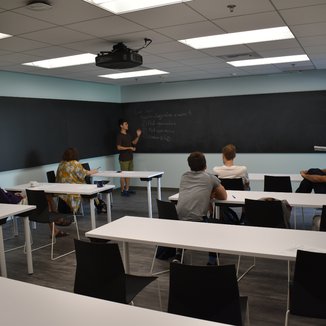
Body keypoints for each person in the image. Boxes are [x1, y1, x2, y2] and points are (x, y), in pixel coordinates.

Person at [175, 152, 227, 265]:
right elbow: (224, 196)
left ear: (189, 166)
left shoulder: (184, 176)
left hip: (178, 219)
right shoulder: (209, 178)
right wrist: (211, 193)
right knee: (217, 226)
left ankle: (179, 253)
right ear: (205, 165)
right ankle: (212, 261)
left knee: (187, 221)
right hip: (197, 220)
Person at [0, 187, 68, 237]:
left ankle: (55, 227)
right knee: (46, 197)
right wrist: (20, 197)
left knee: (47, 198)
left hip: (17, 201)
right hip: (19, 205)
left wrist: (16, 195)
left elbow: (7, 196)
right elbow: (9, 201)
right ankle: (57, 218)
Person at [56, 147, 99, 213]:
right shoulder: (75, 164)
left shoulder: (61, 164)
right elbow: (84, 174)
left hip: (61, 191)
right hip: (74, 190)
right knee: (91, 188)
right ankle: (99, 204)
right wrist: (94, 171)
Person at [116, 118, 142, 196]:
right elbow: (118, 147)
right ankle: (122, 191)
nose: (127, 125)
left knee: (129, 174)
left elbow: (133, 143)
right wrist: (129, 148)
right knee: (123, 175)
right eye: (125, 124)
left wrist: (138, 136)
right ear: (121, 126)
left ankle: (127, 189)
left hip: (130, 157)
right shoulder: (119, 136)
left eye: (127, 124)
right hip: (123, 159)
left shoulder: (128, 135)